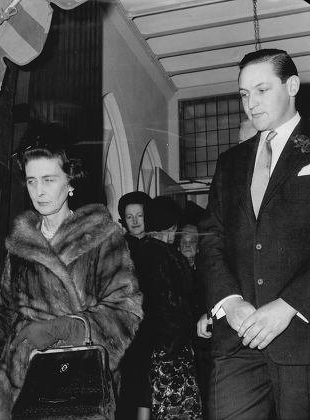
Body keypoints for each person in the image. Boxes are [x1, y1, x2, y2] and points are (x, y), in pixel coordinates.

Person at [0, 123, 143, 420]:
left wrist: (66, 328)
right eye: (31, 181)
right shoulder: (21, 244)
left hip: (80, 379)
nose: (39, 192)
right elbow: (2, 314)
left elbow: (127, 311)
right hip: (21, 381)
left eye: (49, 180)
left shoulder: (103, 237)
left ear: (70, 181)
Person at [199, 48, 310, 420]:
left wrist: (289, 305)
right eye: (244, 94)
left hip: (301, 336)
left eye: (261, 90)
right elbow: (211, 239)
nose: (251, 103)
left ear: (292, 85)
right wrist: (230, 302)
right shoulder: (230, 162)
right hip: (237, 337)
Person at [143, 196, 203, 419]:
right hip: (171, 354)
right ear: (171, 227)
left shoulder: (134, 251)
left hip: (145, 352)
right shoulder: (169, 256)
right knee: (178, 410)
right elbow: (177, 308)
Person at [116, 191, 153, 420]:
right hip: (129, 327)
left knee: (150, 384)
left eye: (140, 215)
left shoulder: (158, 245)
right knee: (132, 383)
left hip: (155, 327)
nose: (136, 221)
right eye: (130, 217)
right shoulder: (120, 249)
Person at [177, 223, 212, 419]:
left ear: (199, 247)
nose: (187, 245)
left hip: (204, 346)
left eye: (192, 241)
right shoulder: (172, 271)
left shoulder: (207, 272)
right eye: (184, 241)